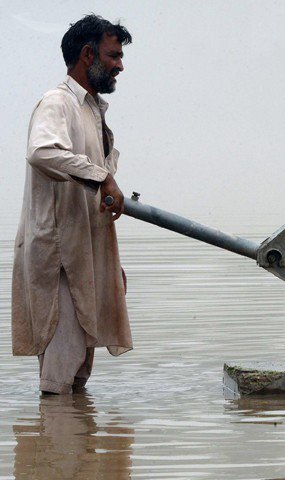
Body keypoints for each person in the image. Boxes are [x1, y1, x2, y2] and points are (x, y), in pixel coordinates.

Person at [12, 14, 133, 394]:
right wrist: (102, 177)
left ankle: (74, 448)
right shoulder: (58, 103)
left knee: (78, 376)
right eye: (113, 55)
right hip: (59, 258)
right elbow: (42, 152)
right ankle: (57, 445)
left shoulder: (93, 111)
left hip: (88, 254)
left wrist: (113, 264)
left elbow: (97, 189)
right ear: (87, 54)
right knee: (59, 377)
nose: (119, 65)